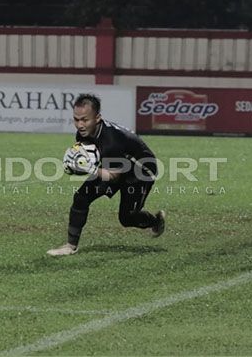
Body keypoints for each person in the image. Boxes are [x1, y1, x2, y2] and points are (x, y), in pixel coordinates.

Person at [47, 93, 166, 256]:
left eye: (84, 120)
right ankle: (70, 246)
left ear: (97, 118)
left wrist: (87, 168)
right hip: (117, 166)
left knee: (126, 218)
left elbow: (112, 176)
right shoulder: (83, 133)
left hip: (140, 171)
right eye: (76, 119)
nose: (80, 124)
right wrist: (74, 166)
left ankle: (155, 221)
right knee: (81, 197)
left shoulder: (112, 140)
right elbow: (91, 162)